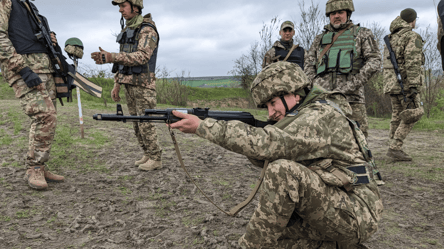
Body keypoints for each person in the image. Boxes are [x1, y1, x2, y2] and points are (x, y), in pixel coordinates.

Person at [168, 61, 383, 248]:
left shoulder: (320, 116)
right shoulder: (306, 113)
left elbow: (268, 143)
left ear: (293, 92)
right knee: (275, 237)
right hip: (337, 203)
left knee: (282, 171)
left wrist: (203, 127)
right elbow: (263, 152)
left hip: (355, 214)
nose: (271, 113)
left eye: (273, 103)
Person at [0, 0, 65, 190]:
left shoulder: (28, 5)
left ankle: (39, 165)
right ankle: (34, 167)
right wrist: (23, 69)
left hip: (43, 69)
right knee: (45, 116)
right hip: (25, 69)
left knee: (42, 121)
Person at [91, 0, 162, 171]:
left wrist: (111, 57)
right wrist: (117, 84)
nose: (120, 10)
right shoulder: (127, 30)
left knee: (146, 122)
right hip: (129, 84)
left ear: (135, 7)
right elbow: (123, 62)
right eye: (119, 7)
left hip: (144, 86)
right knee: (136, 123)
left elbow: (142, 57)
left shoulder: (147, 29)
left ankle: (156, 158)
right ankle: (147, 153)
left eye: (123, 6)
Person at [304, 0, 381, 138]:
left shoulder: (362, 34)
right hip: (323, 99)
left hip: (352, 99)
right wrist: (316, 85)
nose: (337, 16)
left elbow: (374, 61)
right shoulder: (319, 39)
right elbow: (309, 63)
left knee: (358, 141)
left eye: (340, 12)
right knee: (322, 140)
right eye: (333, 13)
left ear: (348, 13)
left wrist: (352, 85)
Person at [383, 8, 424, 161]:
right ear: (412, 20)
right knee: (414, 113)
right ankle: (395, 147)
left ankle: (392, 148)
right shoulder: (411, 36)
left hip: (391, 83)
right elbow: (412, 62)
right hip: (405, 83)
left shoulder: (391, 37)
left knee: (397, 116)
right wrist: (413, 85)